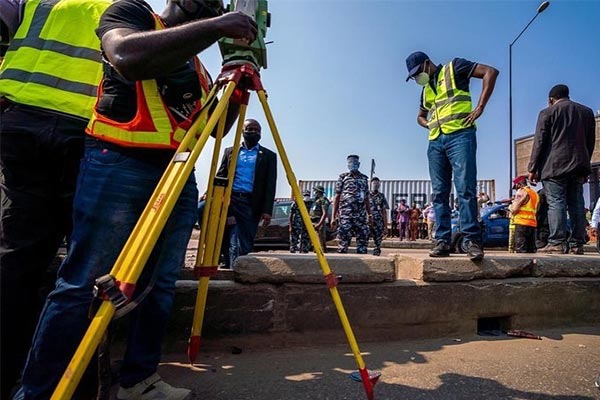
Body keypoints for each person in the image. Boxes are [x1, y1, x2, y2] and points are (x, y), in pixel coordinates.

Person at [14, 1, 258, 399]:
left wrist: (232, 89)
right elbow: (126, 56)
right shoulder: (130, 14)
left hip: (175, 176)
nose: (211, 5)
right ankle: (39, 391)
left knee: (160, 286)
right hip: (118, 164)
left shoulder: (194, 64)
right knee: (80, 284)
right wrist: (220, 25)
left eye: (217, 4)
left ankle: (138, 379)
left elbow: (214, 129)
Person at [0, 0, 111, 396]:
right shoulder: (117, 6)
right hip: (83, 130)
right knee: (82, 263)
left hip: (21, 120)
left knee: (18, 256)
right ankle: (68, 380)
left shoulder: (33, 2)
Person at [405, 51, 498, 260]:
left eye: (418, 73)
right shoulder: (426, 90)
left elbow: (490, 72)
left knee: (465, 188)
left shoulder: (454, 67)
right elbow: (420, 116)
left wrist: (480, 107)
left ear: (427, 64)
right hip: (435, 141)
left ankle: (471, 240)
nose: (417, 78)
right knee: (439, 193)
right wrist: (427, 124)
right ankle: (442, 241)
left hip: (461, 135)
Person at [527, 84, 596, 255]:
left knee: (556, 203)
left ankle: (557, 242)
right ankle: (577, 244)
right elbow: (590, 142)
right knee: (577, 204)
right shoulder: (586, 112)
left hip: (554, 166)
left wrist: (532, 168)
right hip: (578, 166)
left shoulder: (547, 113)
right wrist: (586, 166)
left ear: (551, 99)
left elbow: (539, 142)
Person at [216, 118, 277, 267]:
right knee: (230, 237)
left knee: (244, 241)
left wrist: (267, 210)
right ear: (242, 131)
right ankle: (229, 265)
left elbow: (270, 185)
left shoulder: (269, 156)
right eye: (250, 129)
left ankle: (237, 269)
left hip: (251, 204)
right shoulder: (230, 151)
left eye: (257, 130)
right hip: (231, 200)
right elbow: (221, 175)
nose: (254, 132)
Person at [331, 155, 371, 254]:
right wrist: (333, 216)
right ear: (347, 164)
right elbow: (337, 196)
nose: (352, 164)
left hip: (360, 215)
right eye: (350, 162)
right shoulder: (343, 177)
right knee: (343, 240)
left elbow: (366, 198)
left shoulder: (364, 179)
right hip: (346, 214)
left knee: (362, 239)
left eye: (354, 162)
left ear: (359, 164)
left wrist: (369, 215)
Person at [509, 176, 539, 253]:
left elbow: (515, 208)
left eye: (516, 187)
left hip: (521, 223)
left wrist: (510, 208)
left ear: (519, 184)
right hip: (532, 224)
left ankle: (523, 265)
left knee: (521, 249)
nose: (516, 189)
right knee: (531, 249)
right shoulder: (535, 194)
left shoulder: (521, 192)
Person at [367, 177, 389, 256]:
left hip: (379, 222)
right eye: (374, 183)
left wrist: (385, 226)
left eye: (377, 183)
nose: (375, 185)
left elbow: (384, 212)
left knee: (378, 243)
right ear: (371, 184)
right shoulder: (367, 195)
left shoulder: (381, 196)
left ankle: (376, 256)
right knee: (363, 241)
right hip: (368, 221)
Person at [309, 185, 330, 252]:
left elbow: (324, 213)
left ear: (319, 192)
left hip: (319, 221)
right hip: (313, 220)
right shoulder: (316, 200)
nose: (314, 192)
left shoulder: (323, 200)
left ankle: (323, 253)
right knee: (314, 241)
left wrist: (320, 224)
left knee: (320, 239)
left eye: (316, 191)